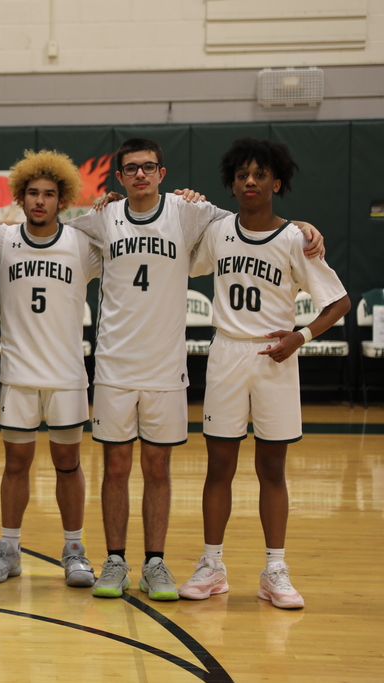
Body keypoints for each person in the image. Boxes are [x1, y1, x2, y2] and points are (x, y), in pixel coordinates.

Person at [69, 138, 324, 602]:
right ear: (120, 177)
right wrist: (93, 203)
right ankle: (116, 559)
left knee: (159, 468)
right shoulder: (102, 218)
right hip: (113, 364)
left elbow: (257, 222)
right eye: (131, 169)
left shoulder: (192, 213)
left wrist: (302, 227)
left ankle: (156, 563)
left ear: (163, 174)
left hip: (167, 366)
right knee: (116, 466)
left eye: (148, 167)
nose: (140, 175)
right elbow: (55, 232)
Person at [178, 138, 348, 609]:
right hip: (228, 353)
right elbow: (177, 254)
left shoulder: (295, 238)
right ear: (232, 184)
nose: (250, 182)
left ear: (277, 181)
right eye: (241, 175)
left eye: (259, 175)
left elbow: (338, 302)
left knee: (272, 468)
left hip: (277, 356)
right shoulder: (216, 232)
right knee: (219, 467)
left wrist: (301, 336)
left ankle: (275, 568)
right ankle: (212, 565)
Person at [0, 150, 100, 587]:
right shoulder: (2, 240)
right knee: (16, 463)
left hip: (66, 376)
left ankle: (74, 549)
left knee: (68, 463)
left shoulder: (82, 243)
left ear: (62, 199)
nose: (40, 201)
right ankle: (9, 549)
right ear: (20, 197)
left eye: (49, 194)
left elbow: (128, 240)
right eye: (33, 193)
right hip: (18, 374)